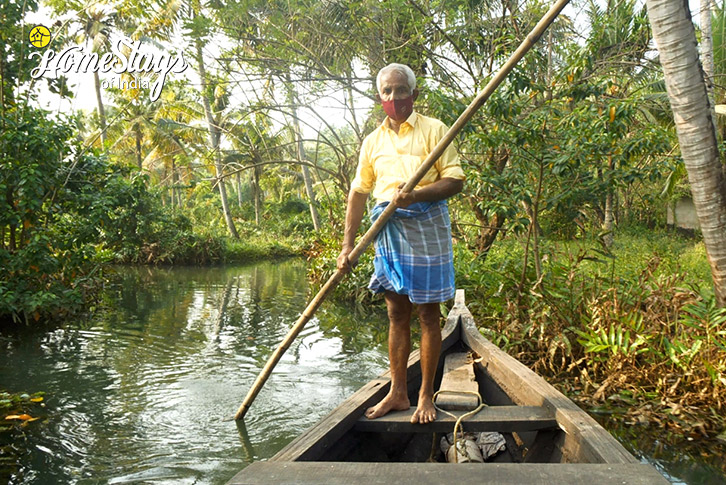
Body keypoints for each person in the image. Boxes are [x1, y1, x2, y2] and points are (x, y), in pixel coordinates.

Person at [336, 63, 465, 424]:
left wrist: (417, 194)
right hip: (387, 227)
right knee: (396, 312)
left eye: (400, 91)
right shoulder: (373, 141)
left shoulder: (435, 130)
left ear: (414, 93)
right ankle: (398, 391)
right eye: (387, 92)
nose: (394, 98)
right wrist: (347, 246)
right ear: (381, 98)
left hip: (426, 223)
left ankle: (425, 395)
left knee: (427, 313)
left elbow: (455, 181)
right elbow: (359, 192)